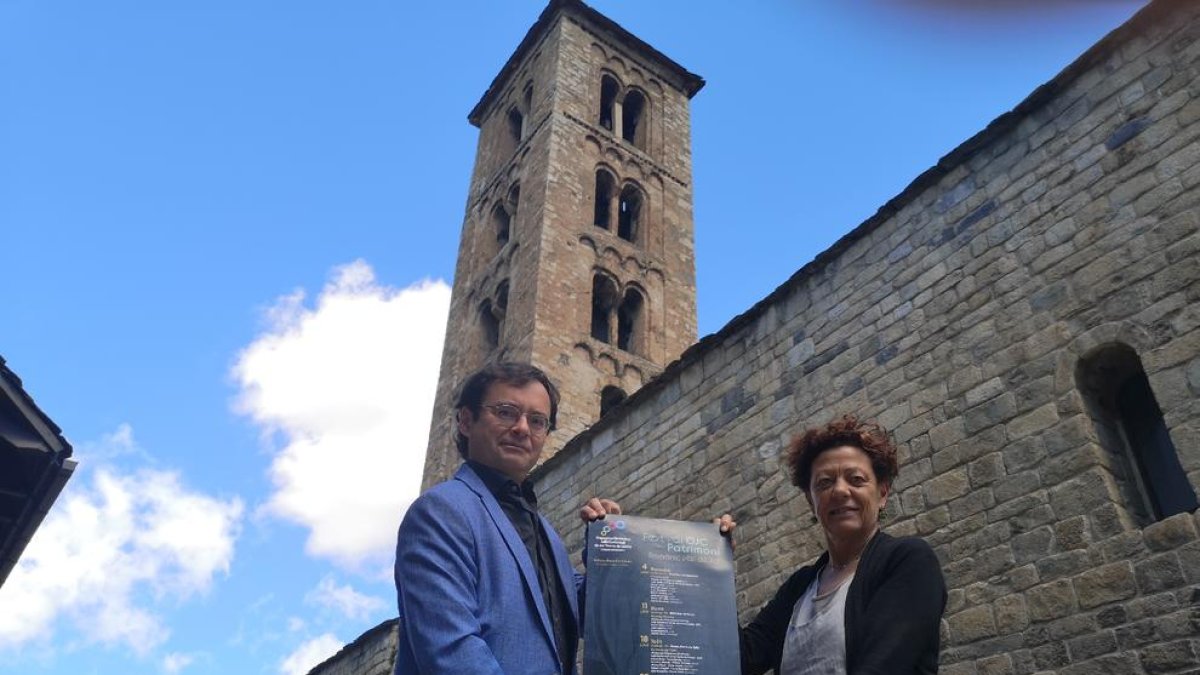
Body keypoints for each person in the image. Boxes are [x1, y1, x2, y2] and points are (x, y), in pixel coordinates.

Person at [392, 362, 619, 674]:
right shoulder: (440, 512)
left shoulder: (543, 530)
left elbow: (586, 615)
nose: (522, 428)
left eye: (537, 421)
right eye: (505, 412)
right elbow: (452, 653)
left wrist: (610, 549)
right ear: (466, 421)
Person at [740, 415, 946, 674]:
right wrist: (708, 565)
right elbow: (741, 658)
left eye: (856, 479)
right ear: (810, 501)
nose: (840, 491)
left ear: (882, 493)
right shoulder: (799, 587)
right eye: (825, 483)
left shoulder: (907, 561)